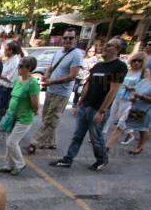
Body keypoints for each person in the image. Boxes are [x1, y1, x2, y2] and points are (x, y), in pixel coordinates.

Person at [50, 38, 128, 171]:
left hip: (98, 109)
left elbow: (113, 90)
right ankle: (68, 159)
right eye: (106, 44)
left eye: (109, 45)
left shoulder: (119, 66)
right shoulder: (98, 66)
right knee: (77, 135)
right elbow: (88, 85)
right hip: (86, 106)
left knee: (95, 137)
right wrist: (79, 104)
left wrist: (102, 111)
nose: (105, 46)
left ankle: (102, 159)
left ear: (117, 49)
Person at [28, 28, 83, 153]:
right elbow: (50, 67)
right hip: (51, 90)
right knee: (47, 117)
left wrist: (51, 81)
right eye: (65, 38)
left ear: (76, 39)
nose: (67, 40)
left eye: (70, 38)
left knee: (51, 119)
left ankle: (34, 142)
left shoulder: (76, 55)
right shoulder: (59, 52)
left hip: (62, 93)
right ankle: (50, 142)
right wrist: (46, 75)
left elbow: (72, 76)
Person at [0, 56, 40, 176]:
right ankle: (8, 165)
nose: (18, 68)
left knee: (11, 142)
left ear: (29, 68)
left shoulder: (32, 83)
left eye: (21, 66)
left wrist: (34, 111)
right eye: (19, 65)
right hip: (12, 116)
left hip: (24, 118)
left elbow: (35, 104)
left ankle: (20, 164)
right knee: (8, 142)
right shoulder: (18, 80)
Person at [104, 52, 147, 147]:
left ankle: (106, 146)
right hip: (119, 97)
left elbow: (144, 88)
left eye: (139, 61)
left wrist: (133, 89)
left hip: (130, 101)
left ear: (143, 62)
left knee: (121, 123)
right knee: (113, 117)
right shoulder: (127, 71)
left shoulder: (143, 74)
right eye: (135, 60)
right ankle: (129, 134)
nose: (136, 63)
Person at [119, 70, 151, 154]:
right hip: (136, 108)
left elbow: (140, 94)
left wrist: (142, 96)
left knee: (143, 128)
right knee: (140, 128)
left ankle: (139, 147)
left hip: (147, 110)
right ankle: (133, 138)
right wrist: (132, 97)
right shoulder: (144, 81)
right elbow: (135, 91)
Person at [0, 41, 21, 124]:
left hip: (7, 89)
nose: (4, 52)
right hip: (2, 87)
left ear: (11, 51)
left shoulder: (15, 62)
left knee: (1, 108)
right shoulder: (9, 59)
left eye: (6, 50)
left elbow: (10, 79)